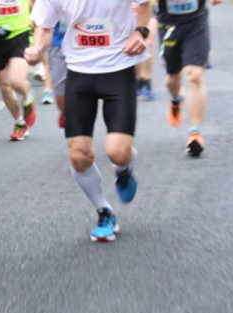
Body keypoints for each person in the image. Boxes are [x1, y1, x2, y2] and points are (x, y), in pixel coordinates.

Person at [28, 0, 151, 242]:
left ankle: (123, 169)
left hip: (119, 67)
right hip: (79, 72)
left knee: (118, 153)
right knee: (79, 156)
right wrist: (36, 47)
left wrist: (140, 31)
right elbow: (43, 25)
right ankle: (104, 211)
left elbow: (145, 4)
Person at [157, 0, 222, 158]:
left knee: (195, 75)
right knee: (173, 79)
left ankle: (195, 133)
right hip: (168, 24)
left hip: (196, 22)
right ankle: (176, 98)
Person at [0, 0, 37, 141]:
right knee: (6, 87)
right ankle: (20, 122)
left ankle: (27, 96)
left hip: (21, 34)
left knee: (16, 81)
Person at [136, 2, 159, 100]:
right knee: (135, 43)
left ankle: (147, 80)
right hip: (130, 8)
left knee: (147, 40)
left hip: (148, 6)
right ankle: (140, 79)